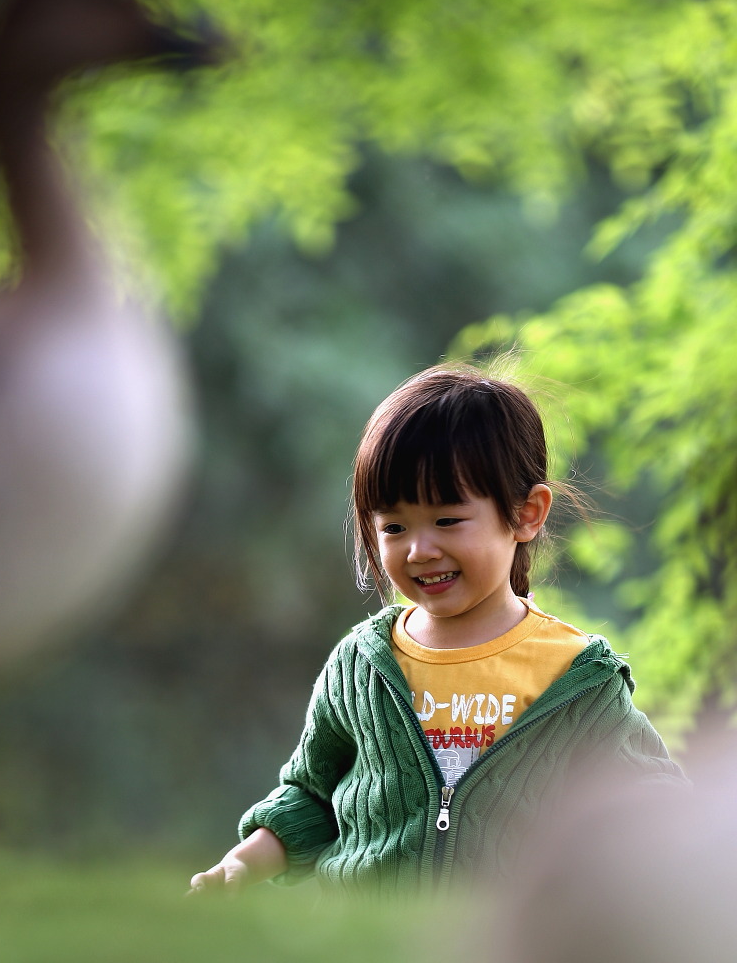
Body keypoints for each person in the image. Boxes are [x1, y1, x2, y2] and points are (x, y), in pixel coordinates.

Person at [189, 363, 686, 899]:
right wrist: (242, 863)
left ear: (526, 513)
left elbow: (654, 813)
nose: (419, 550)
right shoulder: (363, 666)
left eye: (447, 520)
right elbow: (312, 799)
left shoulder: (576, 679)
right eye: (394, 527)